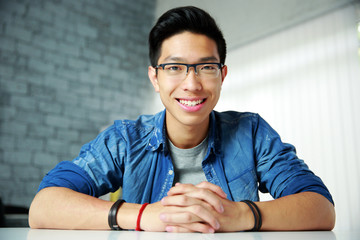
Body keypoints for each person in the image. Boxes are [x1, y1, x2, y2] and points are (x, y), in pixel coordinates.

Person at [29, 6, 335, 233]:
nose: (192, 84)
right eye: (175, 68)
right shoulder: (125, 139)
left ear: (222, 74)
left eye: (206, 67)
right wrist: (143, 215)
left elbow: (320, 208)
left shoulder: (251, 132)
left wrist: (241, 215)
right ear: (155, 77)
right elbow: (44, 206)